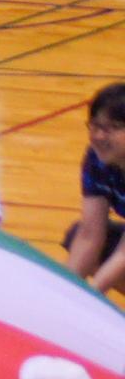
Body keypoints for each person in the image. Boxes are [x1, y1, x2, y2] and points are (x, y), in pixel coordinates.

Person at [67, 83, 125, 291]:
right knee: (75, 236)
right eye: (95, 126)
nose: (99, 136)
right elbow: (90, 234)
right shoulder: (97, 159)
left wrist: (91, 300)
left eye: (112, 128)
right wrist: (67, 294)